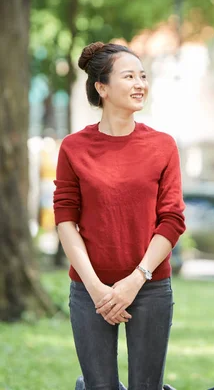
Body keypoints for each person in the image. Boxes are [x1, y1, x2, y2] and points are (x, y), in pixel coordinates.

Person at [53, 42, 186, 390]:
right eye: (129, 76)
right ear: (102, 87)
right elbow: (65, 219)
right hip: (88, 289)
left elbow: (172, 219)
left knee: (147, 386)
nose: (140, 83)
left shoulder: (163, 145)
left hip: (150, 287)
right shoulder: (73, 147)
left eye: (143, 76)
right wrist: (96, 289)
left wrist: (136, 279)